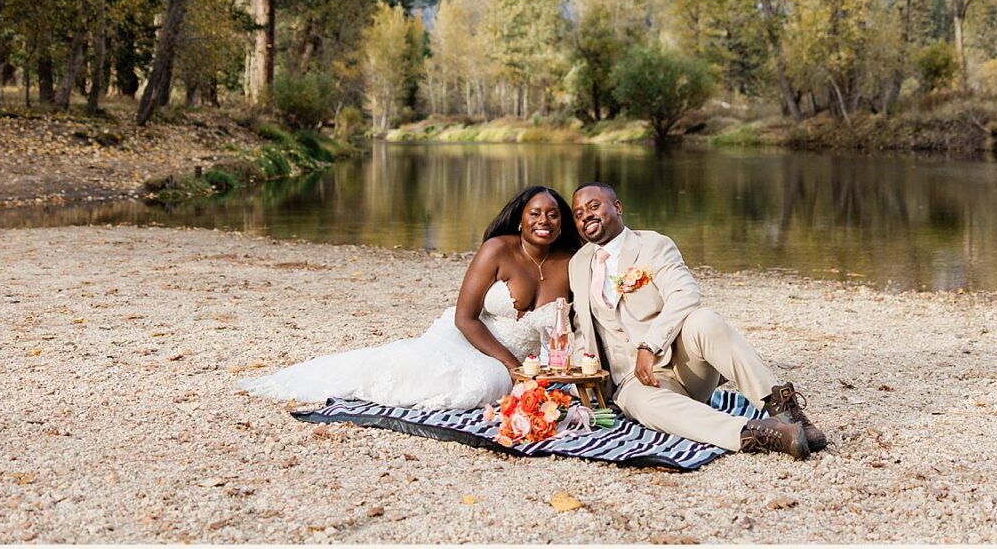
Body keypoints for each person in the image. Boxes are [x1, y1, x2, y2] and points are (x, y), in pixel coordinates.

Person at [241, 185, 582, 409]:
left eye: (552, 215)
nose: (544, 221)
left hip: (530, 363)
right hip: (471, 339)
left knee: (486, 385)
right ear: (521, 219)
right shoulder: (497, 249)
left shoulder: (572, 263)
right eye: (535, 213)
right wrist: (512, 365)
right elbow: (465, 318)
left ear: (563, 222)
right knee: (468, 380)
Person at [568, 182, 828, 460]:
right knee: (642, 406)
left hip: (684, 362)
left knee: (704, 320)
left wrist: (650, 344)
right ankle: (758, 433)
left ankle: (785, 412)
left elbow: (686, 293)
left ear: (617, 207)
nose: (586, 216)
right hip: (634, 380)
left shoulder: (654, 245)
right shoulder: (578, 263)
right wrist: (577, 378)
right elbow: (583, 328)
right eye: (579, 213)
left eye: (594, 206)